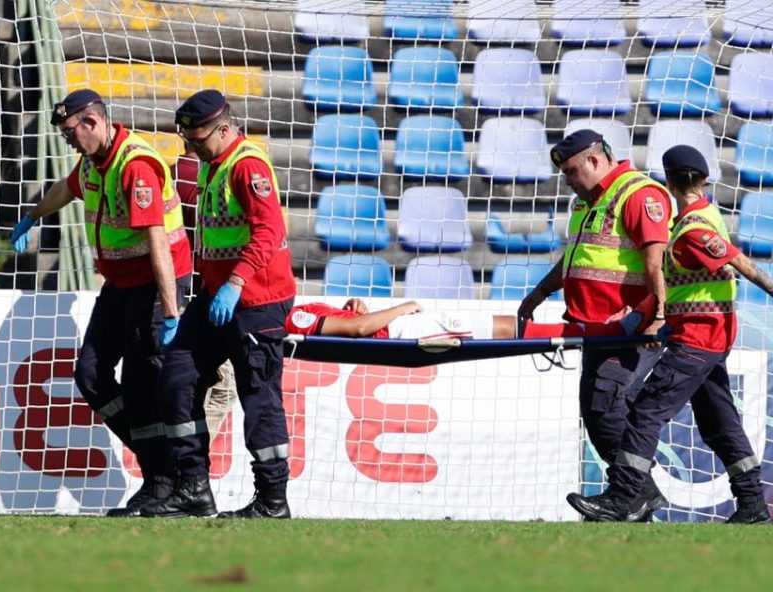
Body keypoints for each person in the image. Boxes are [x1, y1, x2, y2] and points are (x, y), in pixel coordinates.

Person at [9, 89, 192, 517]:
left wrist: (170, 311)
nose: (69, 142)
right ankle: (159, 465)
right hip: (121, 284)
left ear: (91, 122)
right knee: (90, 374)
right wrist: (33, 216)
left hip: (155, 283)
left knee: (142, 385)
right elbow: (66, 188)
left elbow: (158, 242)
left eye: (71, 133)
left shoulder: (136, 166)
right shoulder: (94, 161)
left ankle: (164, 480)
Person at [566, 145, 773, 524]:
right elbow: (690, 281)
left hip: (697, 338)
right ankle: (753, 504)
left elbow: (741, 264)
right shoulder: (706, 215)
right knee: (718, 421)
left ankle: (625, 497)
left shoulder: (692, 228)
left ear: (669, 182)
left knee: (645, 412)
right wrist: (640, 317)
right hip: (708, 338)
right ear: (705, 180)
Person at [142, 89, 296, 519]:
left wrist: (236, 282)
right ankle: (193, 486)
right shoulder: (214, 165)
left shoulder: (247, 166)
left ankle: (272, 500)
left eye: (198, 139)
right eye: (187, 140)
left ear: (224, 129)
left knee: (259, 398)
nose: (192, 148)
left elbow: (269, 232)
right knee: (176, 377)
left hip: (257, 301)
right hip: (215, 300)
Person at [517, 129, 672, 522]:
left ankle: (633, 494)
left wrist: (655, 316)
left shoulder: (638, 194)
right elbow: (575, 258)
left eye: (571, 171)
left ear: (594, 160)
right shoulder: (585, 203)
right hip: (596, 328)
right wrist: (539, 293)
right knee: (598, 408)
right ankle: (635, 498)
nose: (568, 180)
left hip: (630, 327)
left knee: (605, 406)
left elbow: (658, 264)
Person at [172, 143, 238, 442]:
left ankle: (182, 459)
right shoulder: (216, 179)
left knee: (185, 389)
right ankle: (188, 461)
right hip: (209, 301)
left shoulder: (168, 176)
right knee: (221, 388)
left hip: (173, 298)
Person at [286, 296, 658, 341]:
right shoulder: (293, 317)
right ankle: (608, 330)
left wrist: (353, 306)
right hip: (403, 330)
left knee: (503, 326)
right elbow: (357, 329)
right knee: (503, 329)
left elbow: (352, 320)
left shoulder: (300, 310)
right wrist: (401, 307)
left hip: (400, 326)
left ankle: (603, 329)